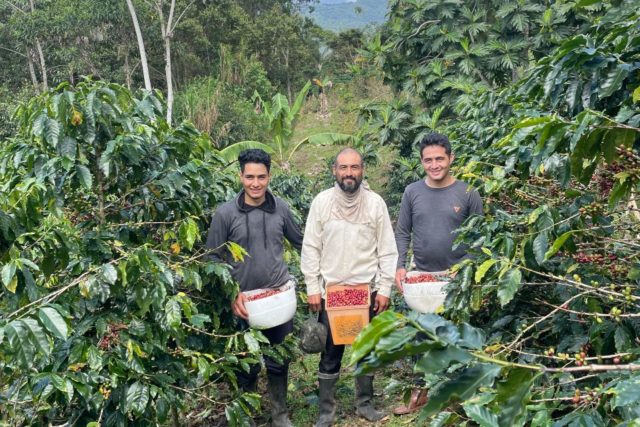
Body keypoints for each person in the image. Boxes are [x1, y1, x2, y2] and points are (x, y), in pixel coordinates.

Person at [301, 148, 398, 427]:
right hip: (332, 295)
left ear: (362, 170)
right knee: (330, 354)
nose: (349, 173)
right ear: (334, 170)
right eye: (343, 167)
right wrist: (312, 287)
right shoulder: (321, 203)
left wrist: (384, 289)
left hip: (364, 293)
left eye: (354, 167)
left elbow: (387, 251)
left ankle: (365, 404)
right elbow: (311, 247)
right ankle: (326, 413)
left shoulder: (375, 203)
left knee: (365, 351)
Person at [206, 149, 303, 427]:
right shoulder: (225, 214)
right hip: (244, 303)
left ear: (270, 177)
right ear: (240, 176)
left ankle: (279, 414)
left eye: (261, 177)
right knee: (245, 362)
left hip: (277, 298)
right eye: (250, 177)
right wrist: (230, 293)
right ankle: (244, 413)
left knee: (278, 359)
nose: (256, 184)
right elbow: (212, 258)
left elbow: (300, 241)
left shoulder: (280, 208)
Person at [393, 133, 483, 415]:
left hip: (456, 280)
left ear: (451, 158)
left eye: (439, 159)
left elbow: (479, 237)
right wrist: (400, 265)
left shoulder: (468, 192)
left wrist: (465, 269)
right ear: (422, 162)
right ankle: (420, 394)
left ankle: (460, 396)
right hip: (422, 278)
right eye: (428, 160)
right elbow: (402, 232)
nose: (434, 165)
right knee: (421, 338)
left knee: (456, 335)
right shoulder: (412, 192)